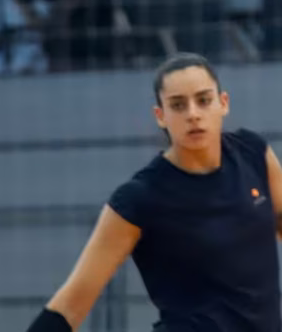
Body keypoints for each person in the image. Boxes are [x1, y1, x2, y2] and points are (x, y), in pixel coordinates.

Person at [26, 52, 282, 331]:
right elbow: (72, 303)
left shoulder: (253, 153)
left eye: (203, 100)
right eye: (178, 105)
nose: (193, 114)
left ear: (223, 103)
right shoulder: (139, 198)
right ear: (161, 116)